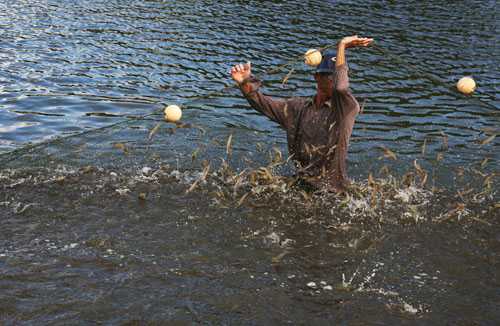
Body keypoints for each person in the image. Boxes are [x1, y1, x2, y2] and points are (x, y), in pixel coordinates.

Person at [230, 35, 373, 193]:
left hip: (333, 192)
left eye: (337, 75)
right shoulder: (298, 108)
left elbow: (341, 87)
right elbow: (263, 104)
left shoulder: (347, 108)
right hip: (301, 184)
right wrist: (245, 83)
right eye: (329, 75)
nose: (334, 79)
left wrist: (342, 46)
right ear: (316, 77)